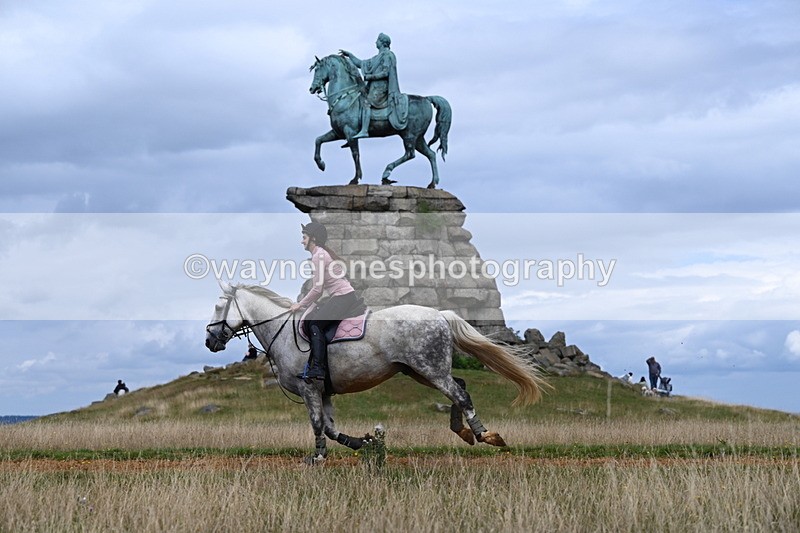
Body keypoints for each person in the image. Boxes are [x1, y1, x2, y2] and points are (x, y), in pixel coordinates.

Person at [288, 222, 365, 382]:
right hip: (342, 296)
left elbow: (317, 290)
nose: (302, 241)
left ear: (313, 239)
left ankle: (318, 368)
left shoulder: (318, 256)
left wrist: (300, 304)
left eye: (304, 237)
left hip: (343, 297)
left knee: (315, 324)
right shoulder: (320, 254)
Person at [340, 32, 408, 140]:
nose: (375, 42)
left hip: (382, 88)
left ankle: (364, 130)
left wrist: (370, 77)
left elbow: (386, 73)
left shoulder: (387, 55)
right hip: (373, 87)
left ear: (382, 42)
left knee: (366, 102)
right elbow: (360, 63)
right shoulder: (377, 57)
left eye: (377, 40)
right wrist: (350, 55)